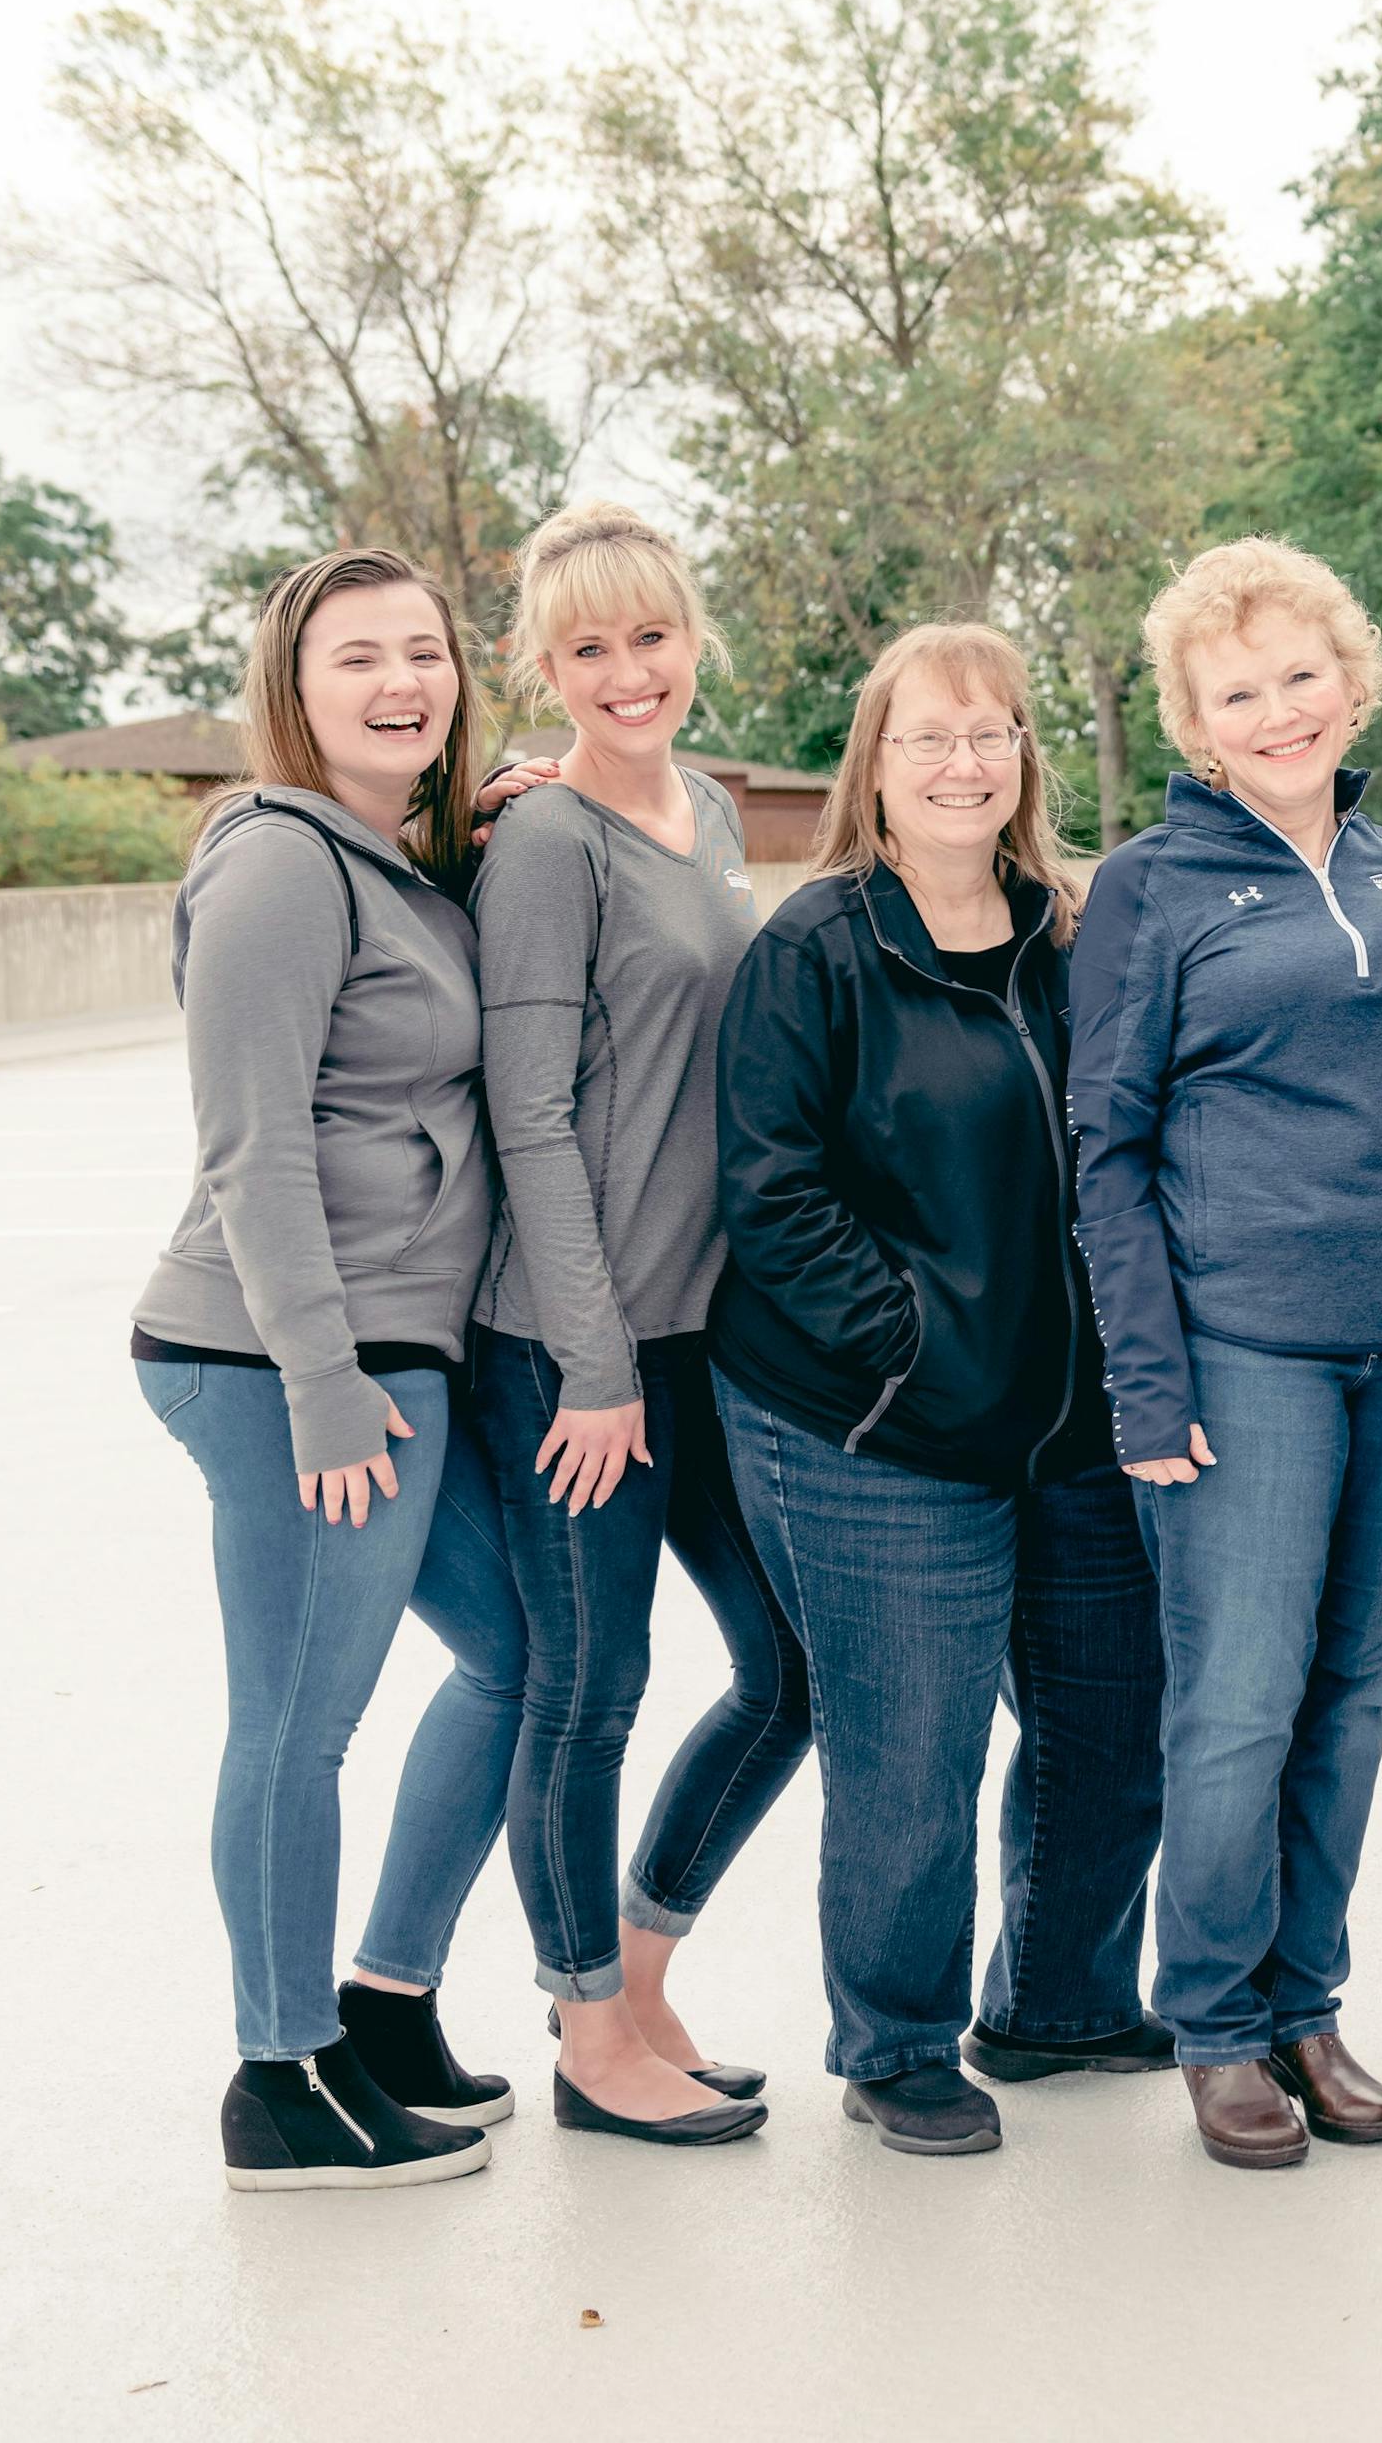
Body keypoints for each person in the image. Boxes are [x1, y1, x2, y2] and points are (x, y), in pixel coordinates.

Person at [709, 621, 1171, 2160]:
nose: (965, 763)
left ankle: (1060, 2001)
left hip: (1072, 1412)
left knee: (1113, 1718)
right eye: (930, 738)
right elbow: (770, 1196)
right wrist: (911, 1341)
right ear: (878, 766)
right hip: (873, 1420)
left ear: (1027, 757)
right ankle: (895, 2041)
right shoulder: (820, 948)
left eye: (993, 734)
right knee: (912, 1742)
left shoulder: (1079, 931)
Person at [130, 547, 531, 2190]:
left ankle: (379, 2006)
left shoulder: (395, 859)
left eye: (423, 652)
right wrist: (316, 1378)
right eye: (356, 656)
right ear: (294, 690)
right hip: (286, 1353)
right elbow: (249, 1144)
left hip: (391, 1352)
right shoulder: (282, 865)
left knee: (519, 1655)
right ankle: (277, 2077)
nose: (399, 682)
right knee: (297, 1726)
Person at [1069, 539, 1382, 2171]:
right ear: (1196, 719)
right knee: (1236, 1701)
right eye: (1239, 691)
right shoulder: (1152, 890)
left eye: (1301, 674)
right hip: (1241, 1351)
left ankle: (1308, 2003)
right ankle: (1219, 2025)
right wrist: (1145, 1381)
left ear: (1349, 675)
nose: (1279, 708)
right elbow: (1106, 1146)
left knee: (1355, 1690)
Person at [471, 503, 805, 2147]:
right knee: (588, 1691)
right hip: (571, 1349)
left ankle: (642, 1973)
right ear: (546, 668)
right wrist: (591, 1368)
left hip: (704, 1341)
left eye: (651, 637)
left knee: (793, 1666)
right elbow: (528, 1114)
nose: (627, 672)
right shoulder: (545, 843)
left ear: (692, 639)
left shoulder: (717, 814)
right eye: (588, 648)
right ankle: (587, 2034)